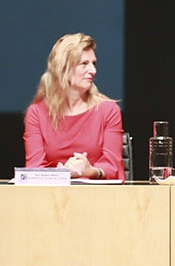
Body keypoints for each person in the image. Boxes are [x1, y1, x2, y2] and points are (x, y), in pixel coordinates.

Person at [24, 33, 125, 180]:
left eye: (94, 63)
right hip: (53, 193)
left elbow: (113, 167)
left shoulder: (108, 110)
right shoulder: (37, 113)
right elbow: (34, 168)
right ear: (63, 68)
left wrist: (90, 171)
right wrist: (64, 173)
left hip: (99, 193)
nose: (93, 71)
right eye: (84, 64)